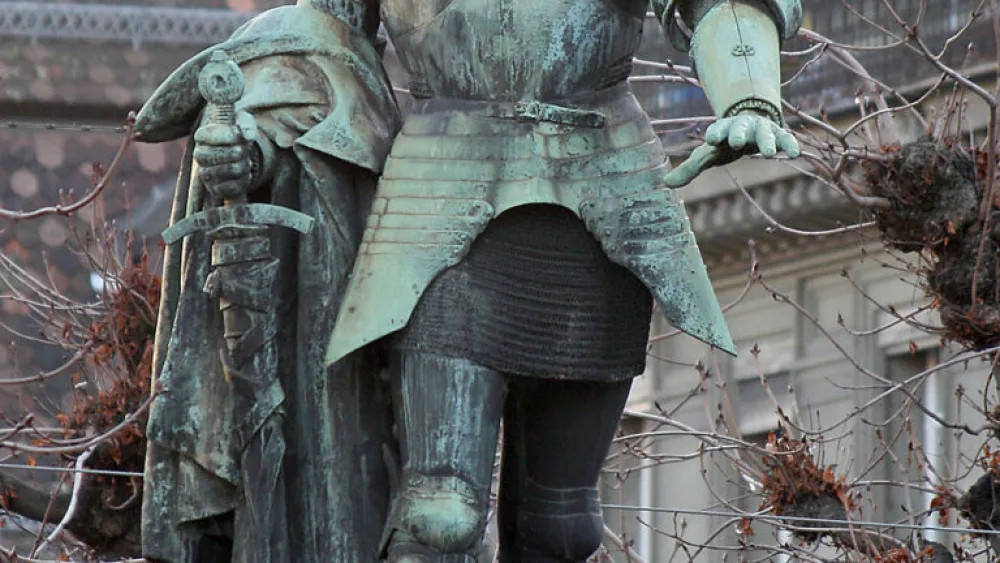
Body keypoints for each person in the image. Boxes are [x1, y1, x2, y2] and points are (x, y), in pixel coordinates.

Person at [137, 0, 801, 561]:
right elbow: (319, 37)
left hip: (607, 190)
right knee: (440, 514)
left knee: (560, 524)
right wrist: (254, 134)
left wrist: (750, 96)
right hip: (439, 190)